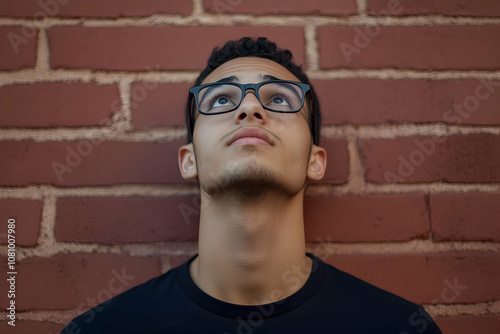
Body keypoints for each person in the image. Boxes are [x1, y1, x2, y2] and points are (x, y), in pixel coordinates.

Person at [61, 37, 442, 333]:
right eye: (221, 99)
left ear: (315, 160)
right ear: (189, 159)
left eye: (278, 98)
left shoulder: (395, 326)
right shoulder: (104, 330)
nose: (249, 108)